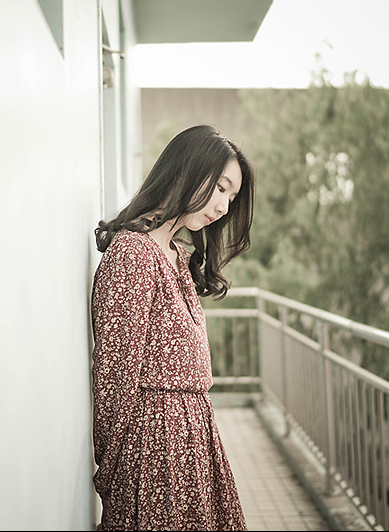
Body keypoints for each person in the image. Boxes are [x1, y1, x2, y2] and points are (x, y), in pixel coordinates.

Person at [90, 125, 254, 531]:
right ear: (188, 170)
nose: (223, 207)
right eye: (221, 188)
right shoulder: (133, 253)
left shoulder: (176, 255)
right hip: (154, 453)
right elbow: (114, 378)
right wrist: (114, 475)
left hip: (191, 444)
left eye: (231, 198)